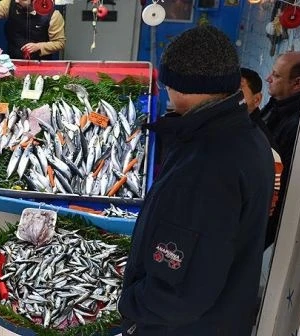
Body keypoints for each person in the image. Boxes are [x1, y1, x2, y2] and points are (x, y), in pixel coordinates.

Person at [117, 25, 274, 335]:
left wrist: (128, 307)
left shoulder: (206, 163)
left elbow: (178, 294)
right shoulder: (247, 136)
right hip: (222, 316)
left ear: (180, 84)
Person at [259, 51, 300, 244]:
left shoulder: (298, 123)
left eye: (277, 75)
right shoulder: (277, 105)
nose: (268, 78)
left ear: (297, 83)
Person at [241, 67, 284, 249]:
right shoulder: (230, 133)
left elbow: (268, 210)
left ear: (256, 99)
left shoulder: (262, 146)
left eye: (237, 93)